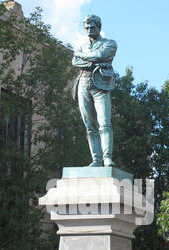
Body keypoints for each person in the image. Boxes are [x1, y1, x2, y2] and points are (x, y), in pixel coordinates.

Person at [72, 15, 117, 167]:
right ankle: (96, 160)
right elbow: (74, 61)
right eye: (87, 28)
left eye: (92, 27)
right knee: (89, 126)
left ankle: (107, 158)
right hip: (83, 83)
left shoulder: (109, 44)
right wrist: (91, 60)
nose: (89, 30)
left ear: (99, 27)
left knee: (104, 123)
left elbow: (100, 55)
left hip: (101, 86)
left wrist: (83, 57)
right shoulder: (81, 46)